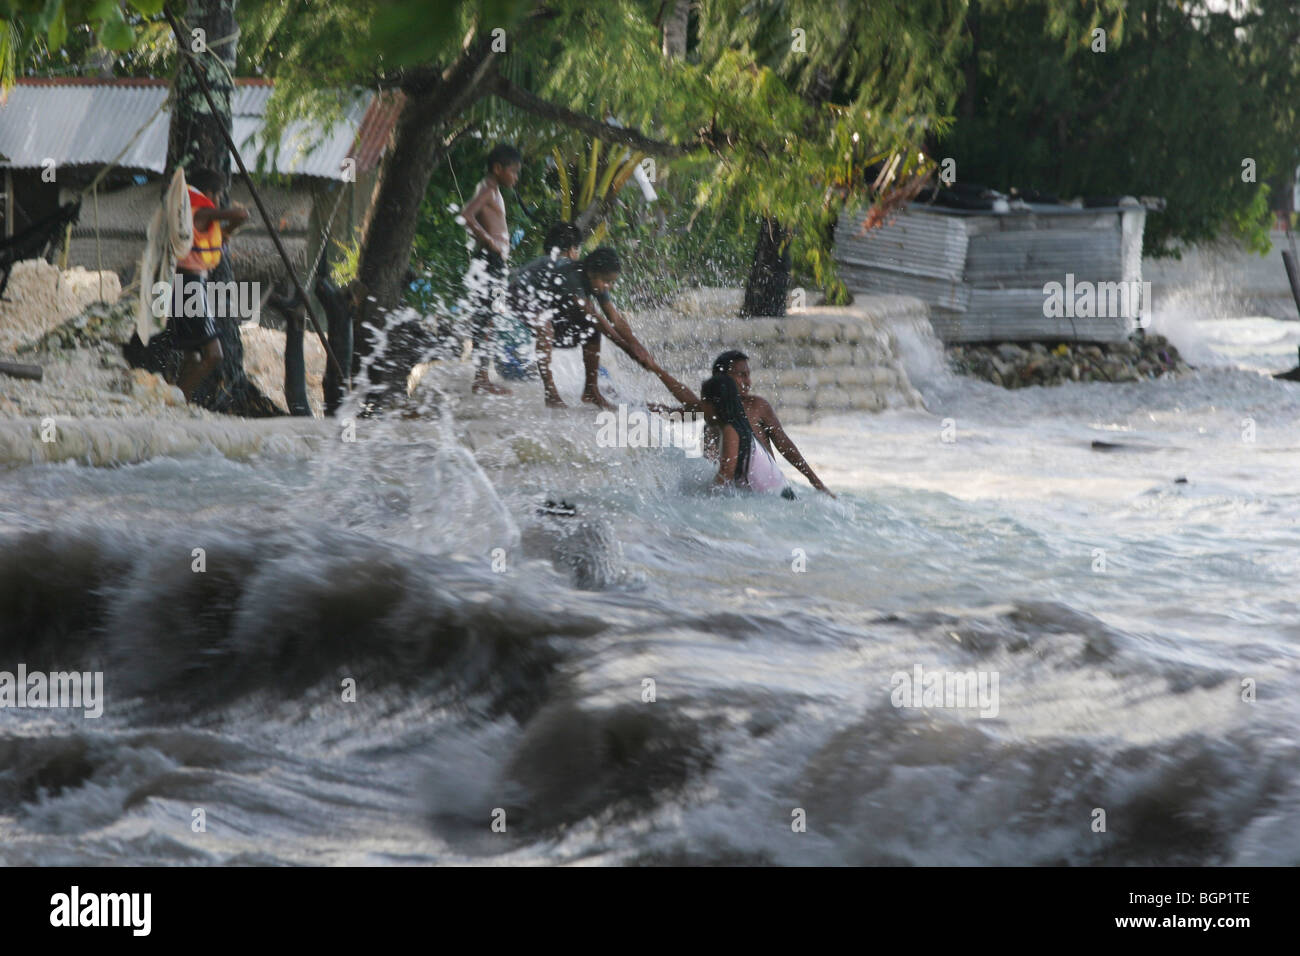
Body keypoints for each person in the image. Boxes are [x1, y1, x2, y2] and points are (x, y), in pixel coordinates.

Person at [647, 349, 835, 497]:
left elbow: (785, 446)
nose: (747, 381)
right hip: (746, 494)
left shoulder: (756, 407)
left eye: (748, 375)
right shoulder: (716, 413)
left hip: (765, 493)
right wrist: (637, 405)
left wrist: (817, 483)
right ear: (722, 380)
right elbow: (676, 410)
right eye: (741, 375)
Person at [507, 240, 658, 409]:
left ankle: (591, 391)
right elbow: (594, 315)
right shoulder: (572, 275)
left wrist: (637, 345)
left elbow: (614, 318)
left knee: (592, 330)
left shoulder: (598, 284)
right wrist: (628, 349)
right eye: (606, 281)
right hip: (518, 295)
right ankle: (551, 392)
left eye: (612, 282)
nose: (609, 286)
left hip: (545, 303)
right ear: (591, 273)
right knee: (546, 327)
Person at [171, 167, 248, 402]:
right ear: (209, 193)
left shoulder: (191, 214)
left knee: (193, 355)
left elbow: (224, 234)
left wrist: (230, 228)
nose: (218, 200)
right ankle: (178, 400)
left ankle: (173, 397)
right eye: (218, 195)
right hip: (191, 285)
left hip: (183, 284)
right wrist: (235, 211)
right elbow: (241, 215)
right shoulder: (201, 211)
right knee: (214, 354)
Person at [460, 143, 522, 395]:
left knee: (490, 319)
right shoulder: (487, 190)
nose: (515, 177)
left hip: (493, 262)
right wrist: (490, 242)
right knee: (486, 320)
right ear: (498, 168)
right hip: (489, 261)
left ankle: (483, 376)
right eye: (514, 171)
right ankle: (481, 379)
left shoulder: (493, 190)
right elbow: (466, 215)